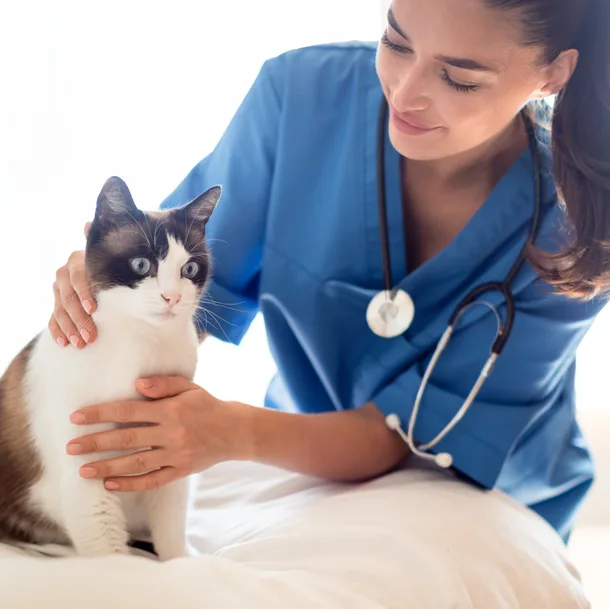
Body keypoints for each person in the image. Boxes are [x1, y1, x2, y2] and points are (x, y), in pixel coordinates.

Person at [50, 0, 609, 543]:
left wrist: (230, 430)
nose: (405, 92)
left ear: (553, 74)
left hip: (488, 495)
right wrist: (110, 294)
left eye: (459, 78)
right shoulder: (300, 98)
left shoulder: (581, 225)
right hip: (301, 458)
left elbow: (404, 437)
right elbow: (185, 290)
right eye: (396, 41)